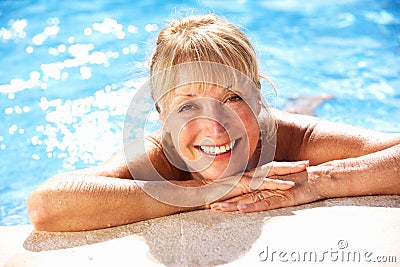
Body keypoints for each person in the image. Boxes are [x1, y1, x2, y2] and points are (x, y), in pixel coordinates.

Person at [27, 14, 400, 232]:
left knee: (304, 113)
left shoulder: (290, 137)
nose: (215, 126)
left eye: (233, 98)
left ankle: (305, 102)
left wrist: (318, 180)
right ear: (161, 116)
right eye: (188, 107)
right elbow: (46, 206)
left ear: (259, 101)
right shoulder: (159, 157)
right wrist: (205, 192)